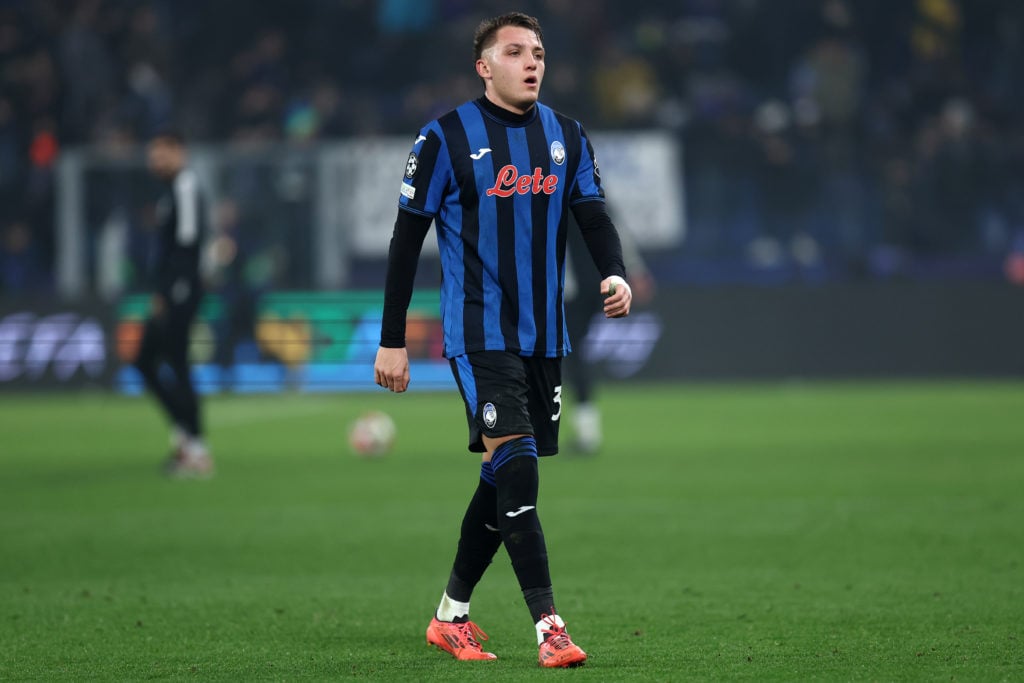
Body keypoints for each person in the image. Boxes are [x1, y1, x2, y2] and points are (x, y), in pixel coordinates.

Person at [373, 12, 632, 668]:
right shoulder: (444, 138)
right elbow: (406, 240)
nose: (531, 61)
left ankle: (449, 616)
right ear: (484, 67)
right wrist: (392, 339)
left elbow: (592, 214)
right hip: (478, 333)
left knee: (501, 476)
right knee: (518, 467)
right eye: (514, 51)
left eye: (538, 51)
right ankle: (550, 624)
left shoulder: (566, 136)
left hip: (544, 336)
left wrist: (614, 273)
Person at [134, 131, 212, 477]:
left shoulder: (185, 186)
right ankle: (187, 439)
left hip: (179, 291)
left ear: (179, 152)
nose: (155, 161)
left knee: (171, 364)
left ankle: (194, 448)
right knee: (152, 361)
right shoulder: (170, 191)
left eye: (161, 153)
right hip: (172, 291)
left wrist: (169, 293)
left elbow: (187, 245)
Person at [564, 220, 655, 453]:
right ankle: (586, 432)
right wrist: (635, 269)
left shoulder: (542, 191)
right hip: (590, 283)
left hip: (571, 289)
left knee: (565, 354)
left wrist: (634, 269)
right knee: (570, 355)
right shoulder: (583, 188)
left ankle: (584, 433)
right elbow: (612, 227)